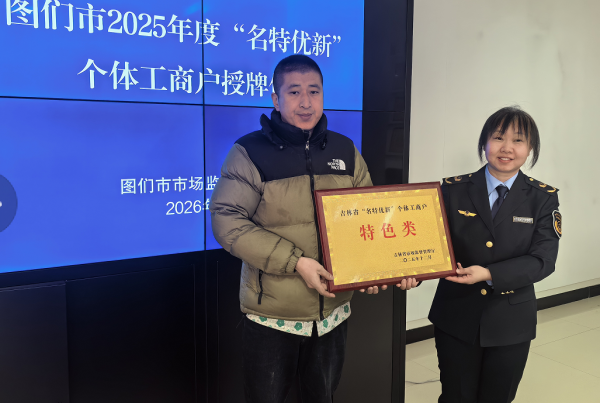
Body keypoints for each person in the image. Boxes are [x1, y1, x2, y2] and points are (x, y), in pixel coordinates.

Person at [210, 54, 415, 403]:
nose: (305, 102)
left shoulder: (345, 150)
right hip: (272, 315)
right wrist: (296, 262)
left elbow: (370, 217)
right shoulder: (249, 152)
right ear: (276, 99)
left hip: (332, 314)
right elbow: (226, 220)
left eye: (314, 91)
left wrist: (378, 268)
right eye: (294, 92)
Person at [428, 106, 562, 403]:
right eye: (498, 137)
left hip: (511, 321)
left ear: (530, 148)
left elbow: (543, 260)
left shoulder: (542, 198)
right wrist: (409, 270)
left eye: (518, 140)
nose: (507, 148)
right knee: (455, 396)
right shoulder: (452, 190)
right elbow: (428, 245)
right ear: (484, 142)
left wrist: (489, 274)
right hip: (456, 314)